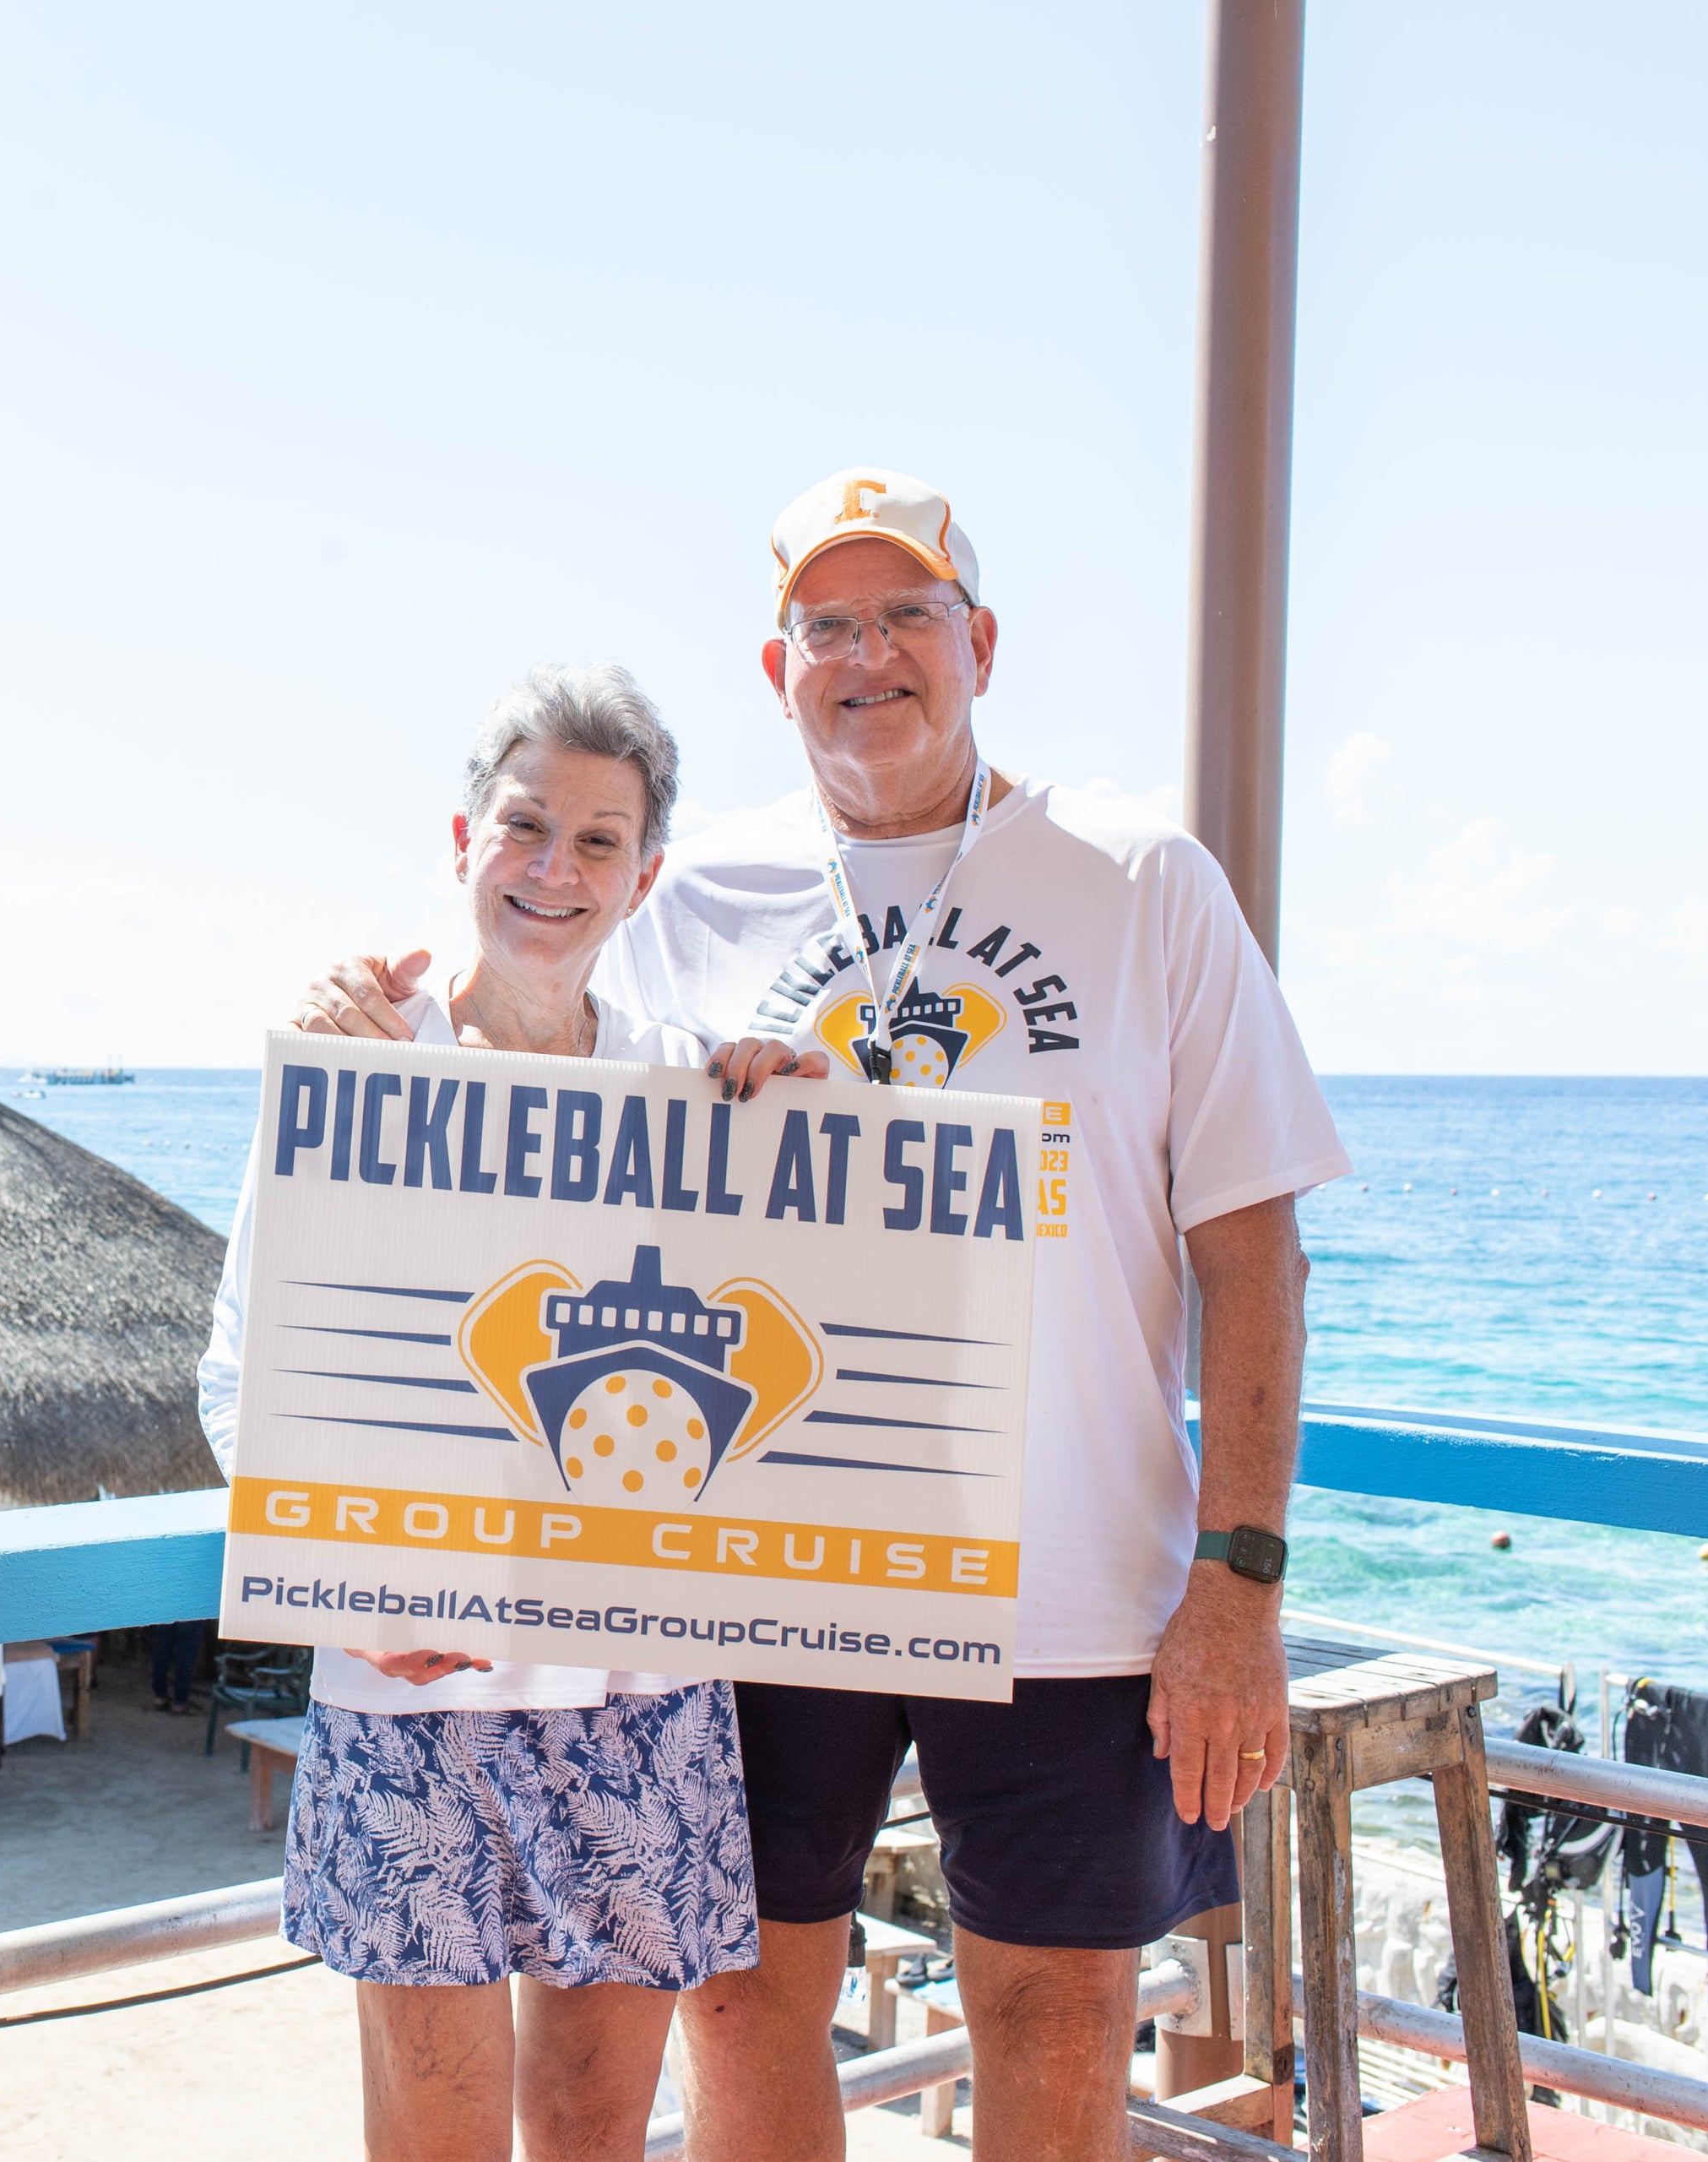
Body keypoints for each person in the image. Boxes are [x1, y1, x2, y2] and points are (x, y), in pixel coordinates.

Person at [294, 470, 1347, 2162]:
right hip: (767, 1578)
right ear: (780, 667)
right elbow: (512, 1091)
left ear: (979, 640)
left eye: (908, 613)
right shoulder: (691, 894)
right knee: (742, 2006)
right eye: (829, 626)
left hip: (1068, 1587)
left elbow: (1256, 1245)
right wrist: (350, 1012)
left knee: (1060, 2011)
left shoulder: (1146, 874)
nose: (871, 656)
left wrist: (1241, 1575)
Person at [203, 662, 800, 2162]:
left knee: (596, 2137)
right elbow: (239, 1377)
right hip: (413, 1700)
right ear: (463, 837)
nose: (556, 871)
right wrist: (340, 1593)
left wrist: (814, 1131)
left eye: (600, 842)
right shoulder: (363, 1068)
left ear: (646, 875)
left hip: (644, 1698)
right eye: (528, 827)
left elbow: (810, 1371)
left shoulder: (697, 1092)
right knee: (434, 2145)